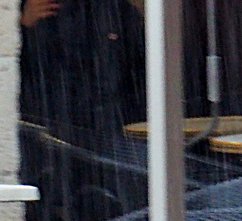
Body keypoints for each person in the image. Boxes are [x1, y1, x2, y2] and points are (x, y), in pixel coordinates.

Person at [19, 0, 147, 141]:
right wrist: (23, 25)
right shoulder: (27, 12)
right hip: (43, 136)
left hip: (104, 135)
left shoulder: (117, 13)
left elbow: (140, 80)